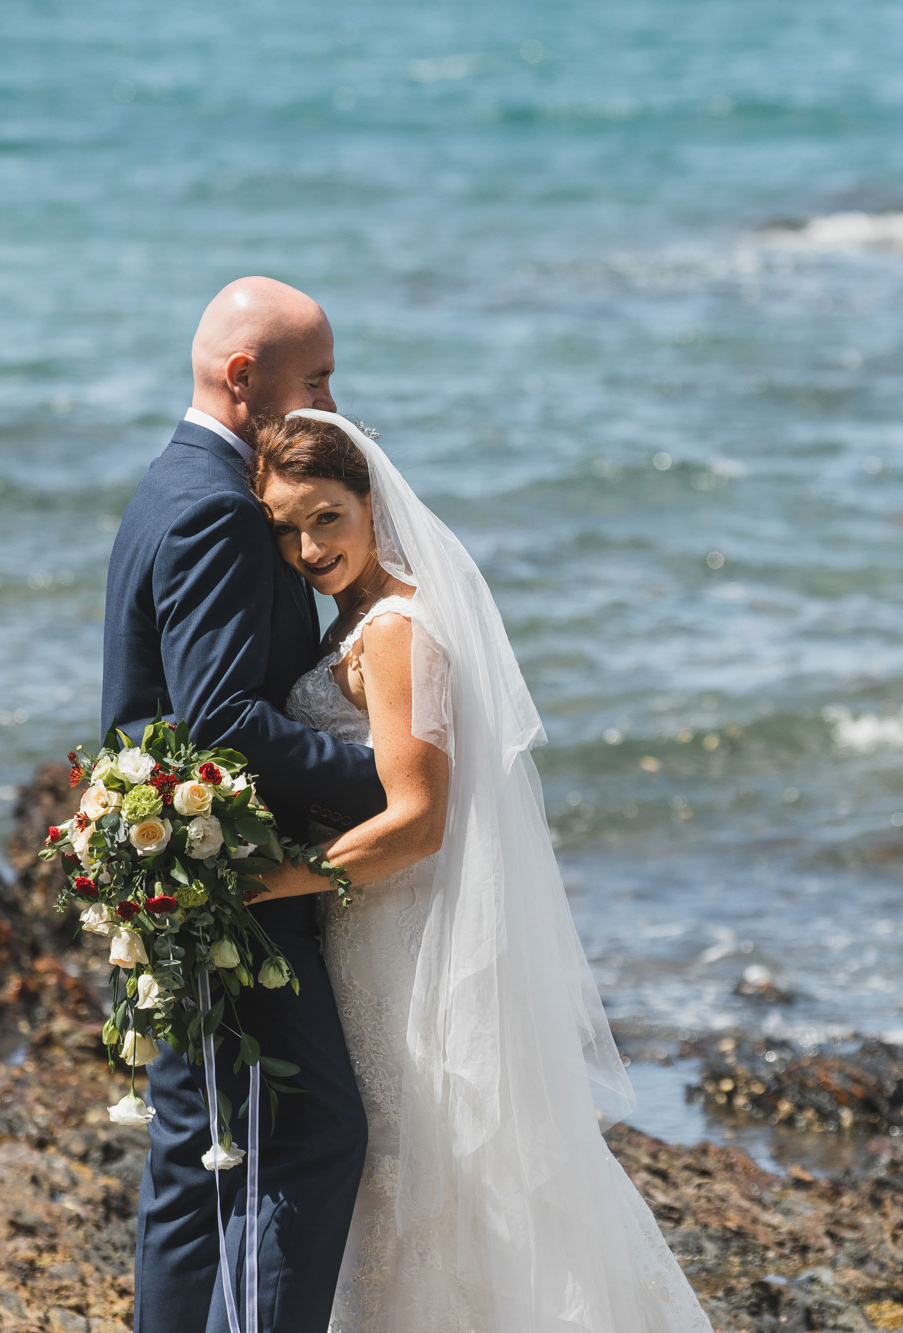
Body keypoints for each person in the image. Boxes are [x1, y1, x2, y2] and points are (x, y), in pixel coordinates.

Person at [248, 410, 713, 1331]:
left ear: (373, 502)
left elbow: (418, 821)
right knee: (421, 1164)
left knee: (436, 1163)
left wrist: (274, 880)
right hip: (380, 926)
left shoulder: (394, 629)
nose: (307, 547)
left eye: (327, 518)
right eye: (287, 529)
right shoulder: (369, 614)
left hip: (404, 932)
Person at [99, 278, 385, 1333]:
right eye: (312, 381)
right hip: (236, 895)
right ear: (241, 380)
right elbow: (221, 719)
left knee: (197, 1161)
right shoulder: (219, 508)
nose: (327, 403)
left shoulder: (167, 484)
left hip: (180, 886)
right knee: (309, 1136)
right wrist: (388, 784)